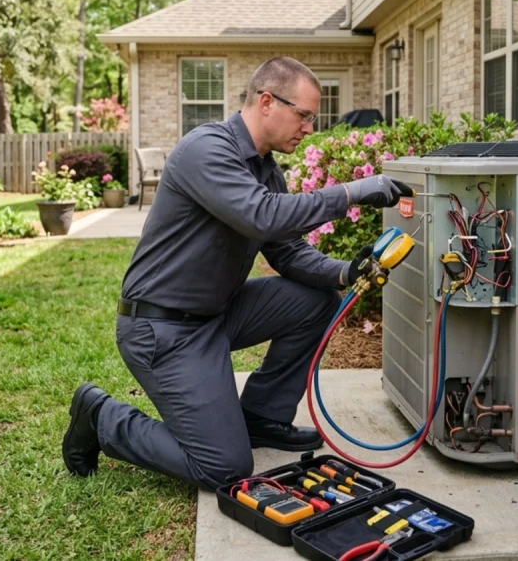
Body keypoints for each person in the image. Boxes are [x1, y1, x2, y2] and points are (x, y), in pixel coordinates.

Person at [61, 57, 412, 490]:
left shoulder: (266, 169)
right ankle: (102, 417)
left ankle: (262, 418)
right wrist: (350, 192)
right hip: (162, 329)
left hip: (216, 315)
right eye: (303, 115)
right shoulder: (206, 150)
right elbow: (262, 216)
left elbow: (286, 252)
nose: (309, 128)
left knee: (315, 300)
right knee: (223, 467)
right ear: (267, 101)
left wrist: (346, 272)